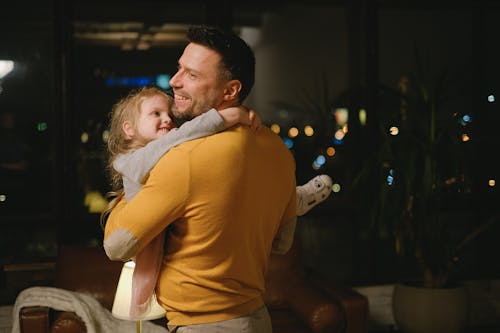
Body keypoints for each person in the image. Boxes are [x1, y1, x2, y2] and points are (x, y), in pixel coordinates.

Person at [104, 25, 332, 332]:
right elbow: (281, 243)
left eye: (192, 75)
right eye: (179, 68)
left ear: (230, 91)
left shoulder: (183, 159)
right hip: (256, 319)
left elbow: (117, 246)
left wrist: (126, 196)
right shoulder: (277, 150)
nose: (175, 81)